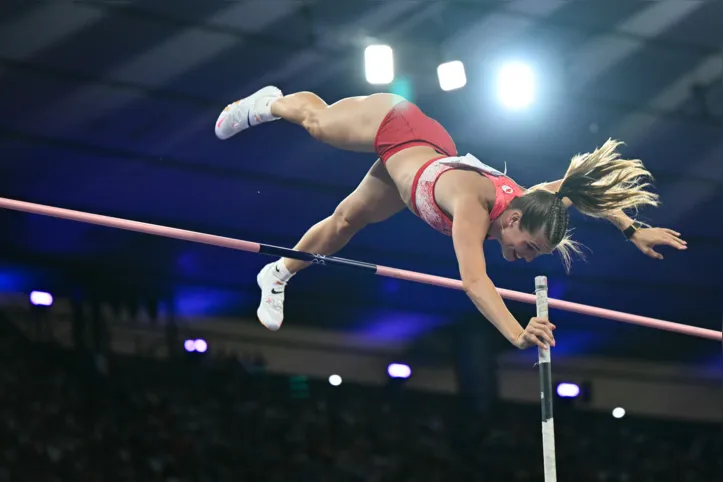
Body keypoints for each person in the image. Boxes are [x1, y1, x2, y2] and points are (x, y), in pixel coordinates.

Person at [215, 87, 687, 350]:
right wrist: (517, 332)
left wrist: (633, 229)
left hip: (414, 170)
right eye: (528, 247)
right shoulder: (472, 202)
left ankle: (277, 272)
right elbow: (475, 282)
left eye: (533, 255)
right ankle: (265, 104)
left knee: (343, 223)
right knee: (318, 125)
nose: (524, 258)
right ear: (514, 217)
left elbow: (581, 189)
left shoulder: (537, 203)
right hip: (395, 126)